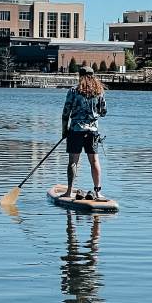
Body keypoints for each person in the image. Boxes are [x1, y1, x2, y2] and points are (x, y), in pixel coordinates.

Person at [61, 65, 108, 201]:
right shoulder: (99, 92)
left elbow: (65, 113)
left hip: (76, 130)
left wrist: (64, 131)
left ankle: (69, 191)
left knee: (73, 162)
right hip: (93, 131)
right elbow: (104, 112)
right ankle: (98, 192)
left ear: (80, 76)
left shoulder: (73, 91)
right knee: (94, 161)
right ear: (93, 76)